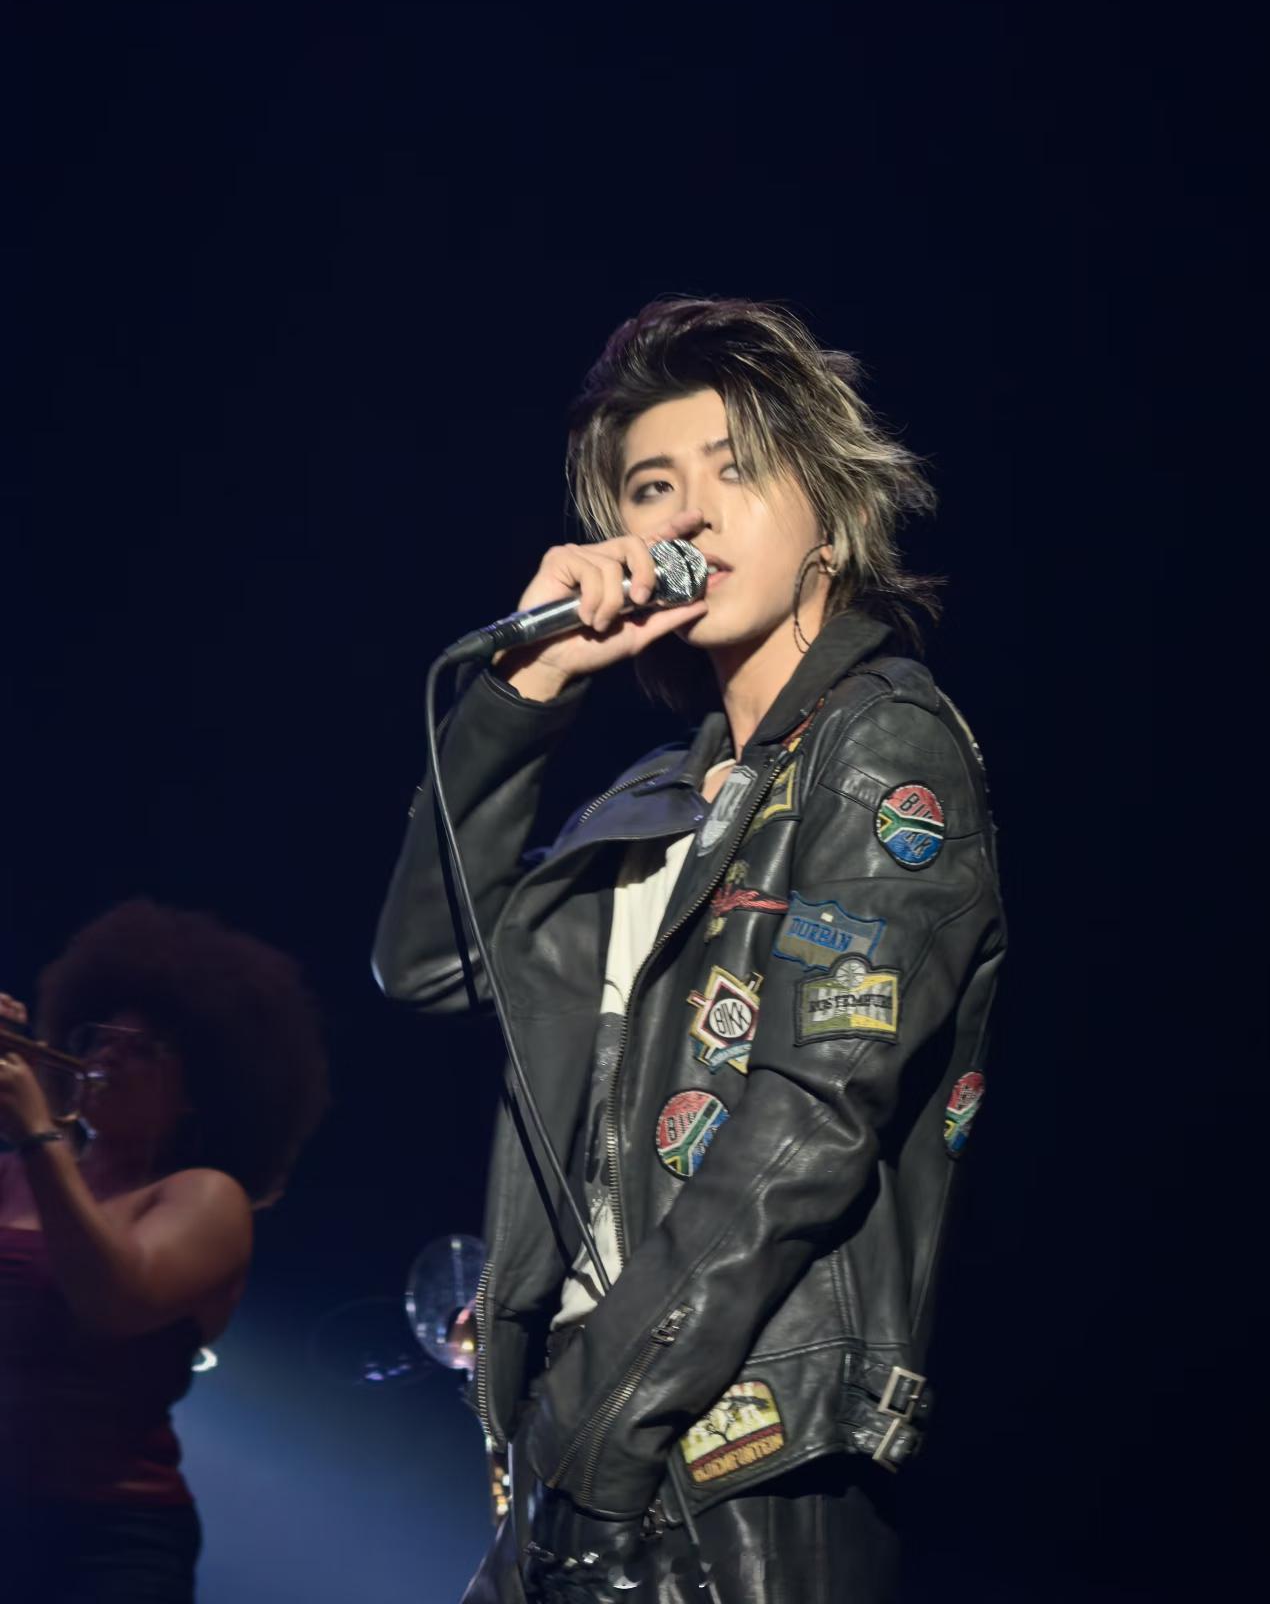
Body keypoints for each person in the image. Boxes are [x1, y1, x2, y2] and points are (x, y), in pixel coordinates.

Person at [373, 298, 1006, 1603]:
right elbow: (427, 961)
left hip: (737, 1466)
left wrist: (589, 1433)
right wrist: (527, 690)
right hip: (575, 1455)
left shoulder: (885, 748)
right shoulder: (657, 800)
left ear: (829, 513)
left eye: (737, 469)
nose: (692, 515)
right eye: (654, 487)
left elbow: (811, 1124)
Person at [0, 899, 329, 1603]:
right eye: (97, 1036)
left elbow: (114, 1302)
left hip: (105, 1546)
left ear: (197, 1091)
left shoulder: (205, 1197)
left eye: (144, 1048)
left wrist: (37, 1135)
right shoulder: (14, 1173)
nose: (105, 1055)